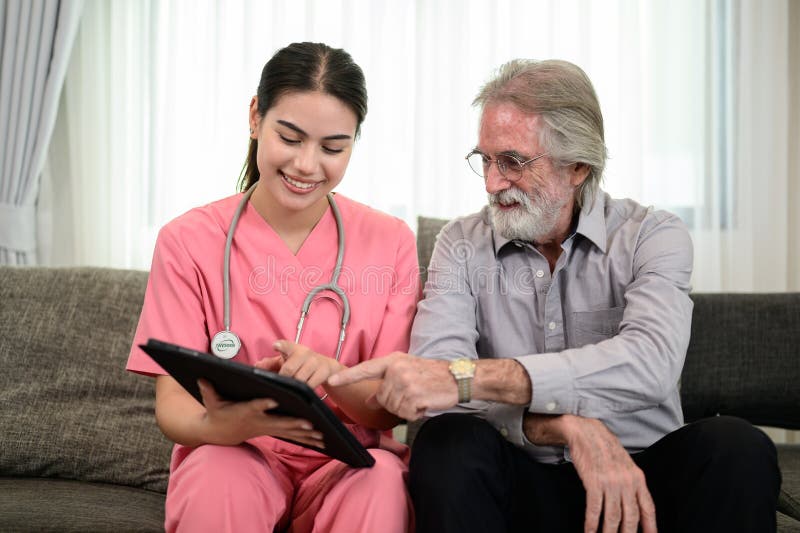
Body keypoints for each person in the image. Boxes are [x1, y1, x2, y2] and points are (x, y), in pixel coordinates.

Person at [328, 59, 782, 532]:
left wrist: (480, 378)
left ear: (579, 166)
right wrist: (565, 426)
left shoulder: (653, 234)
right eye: (484, 159)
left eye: (512, 161)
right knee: (448, 442)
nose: (491, 182)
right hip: (520, 476)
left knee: (738, 447)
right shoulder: (460, 244)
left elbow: (649, 363)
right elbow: (440, 390)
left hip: (639, 475)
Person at [126, 42, 418, 533]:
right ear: (256, 118)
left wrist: (333, 375)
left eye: (332, 148)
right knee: (219, 474)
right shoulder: (188, 241)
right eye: (290, 137)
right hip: (236, 452)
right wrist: (219, 427)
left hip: (345, 463)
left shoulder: (390, 242)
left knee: (382, 481)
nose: (307, 165)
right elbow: (173, 404)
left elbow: (386, 410)